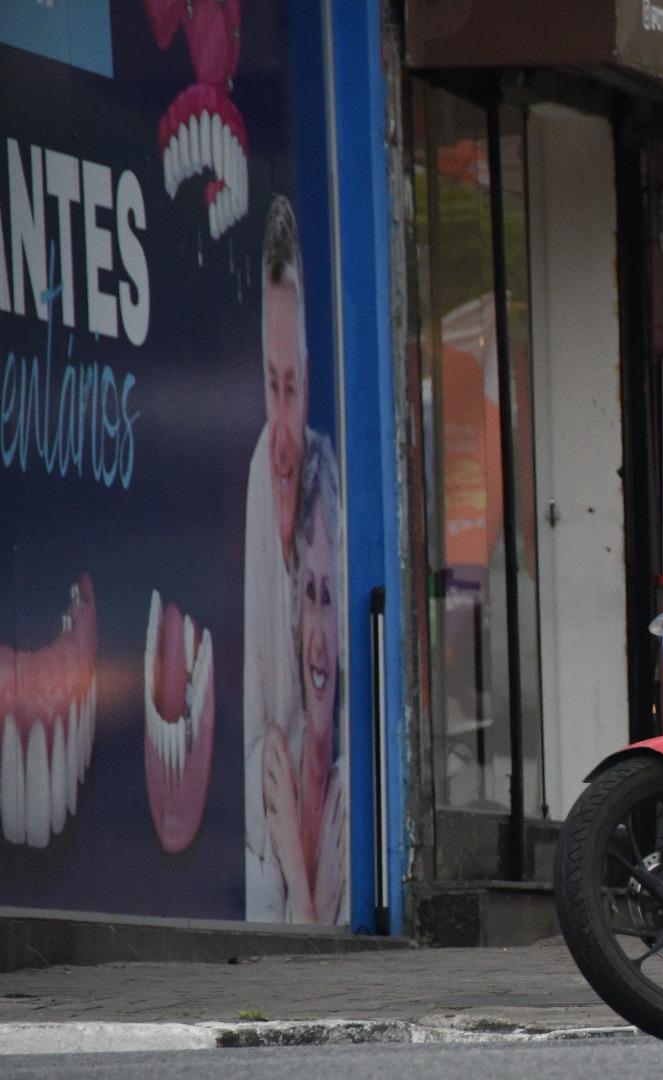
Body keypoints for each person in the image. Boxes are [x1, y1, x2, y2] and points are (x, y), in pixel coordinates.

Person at [243, 194, 313, 919]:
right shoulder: (262, 476)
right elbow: (261, 750)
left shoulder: (328, 492)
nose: (283, 425)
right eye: (272, 385)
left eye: (293, 387)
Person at [262, 433, 349, 923]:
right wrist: (303, 888)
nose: (317, 637)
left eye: (329, 598)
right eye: (309, 594)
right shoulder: (273, 774)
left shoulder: (348, 799)